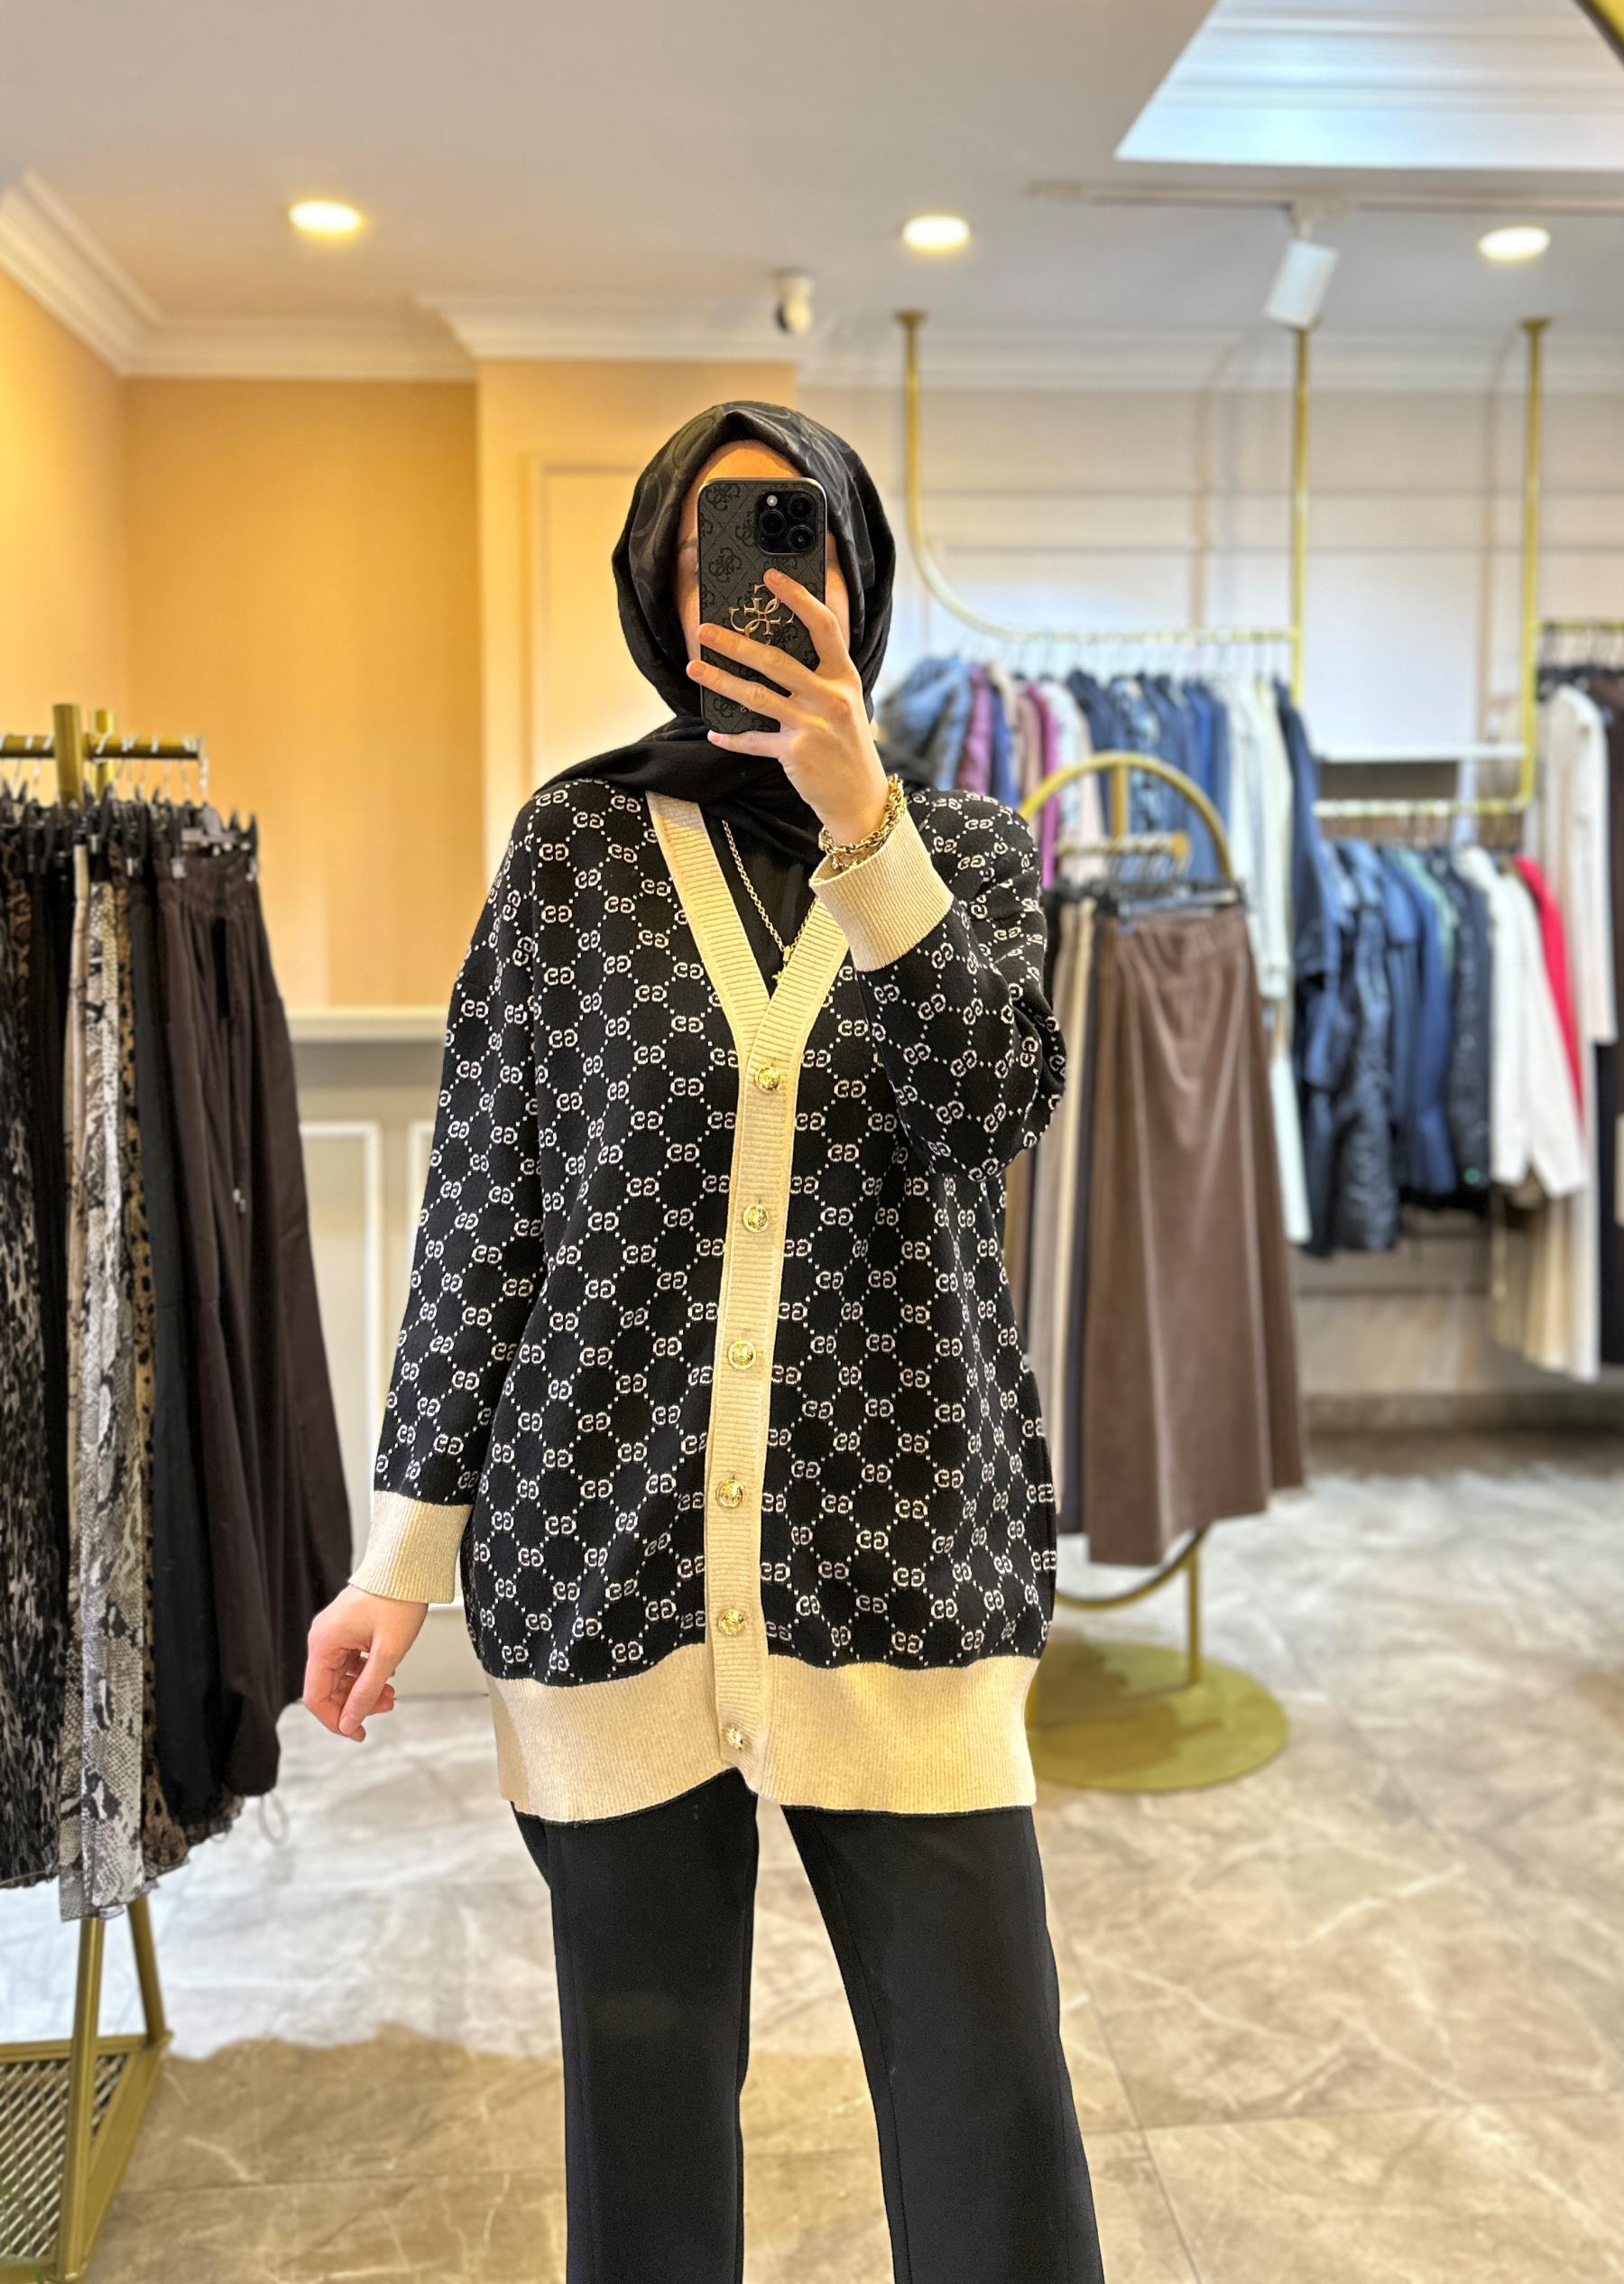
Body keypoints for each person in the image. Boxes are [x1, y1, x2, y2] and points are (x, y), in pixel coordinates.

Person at [303, 402, 1105, 2284]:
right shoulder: (573, 852)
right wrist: (398, 1560)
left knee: (988, 2103)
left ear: (852, 577)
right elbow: (487, 1202)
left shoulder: (966, 852)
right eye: (704, 564)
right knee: (646, 2128)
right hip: (606, 1560)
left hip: (903, 1565)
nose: (743, 598)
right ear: (659, 599)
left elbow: (993, 1107)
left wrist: (866, 828)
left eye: (784, 548)